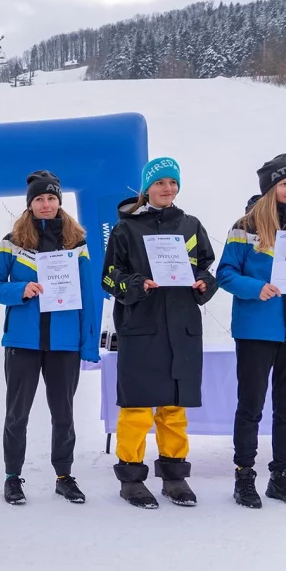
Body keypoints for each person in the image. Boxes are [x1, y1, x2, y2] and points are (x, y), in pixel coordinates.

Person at [101, 157, 217, 509]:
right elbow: (109, 277)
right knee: (136, 407)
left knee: (173, 407)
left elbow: (208, 270)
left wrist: (203, 285)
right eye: (160, 182)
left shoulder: (191, 225)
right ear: (147, 187)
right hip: (142, 327)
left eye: (172, 182)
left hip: (181, 328)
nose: (167, 188)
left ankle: (174, 475)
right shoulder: (126, 229)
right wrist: (137, 284)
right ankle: (131, 477)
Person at [217, 154, 286, 509]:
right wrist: (256, 288)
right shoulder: (245, 226)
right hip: (255, 331)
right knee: (250, 407)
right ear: (270, 188)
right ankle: (244, 476)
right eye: (284, 183)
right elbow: (226, 273)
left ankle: (282, 477)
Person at [0, 171, 100, 506]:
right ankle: (12, 477)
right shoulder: (12, 242)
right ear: (30, 204)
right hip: (23, 341)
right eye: (39, 199)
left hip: (64, 342)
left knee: (63, 413)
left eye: (51, 198)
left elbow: (89, 295)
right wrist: (20, 289)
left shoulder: (76, 243)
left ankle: (64, 476)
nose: (46, 204)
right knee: (17, 413)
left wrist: (87, 342)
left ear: (59, 202)